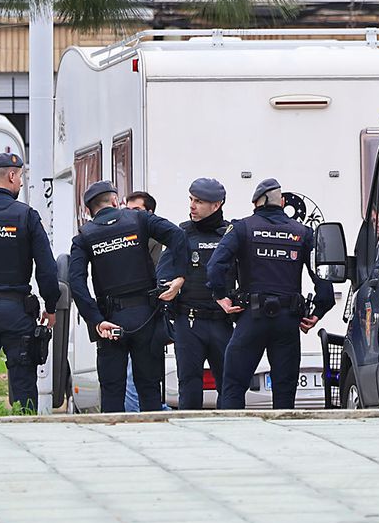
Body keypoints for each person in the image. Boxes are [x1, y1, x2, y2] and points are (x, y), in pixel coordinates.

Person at [207, 177, 335, 410]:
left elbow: (215, 266)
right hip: (288, 322)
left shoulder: (242, 227)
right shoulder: (303, 232)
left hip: (251, 319)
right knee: (285, 393)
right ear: (283, 202)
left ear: (257, 202)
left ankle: (231, 437)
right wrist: (318, 311)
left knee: (233, 387)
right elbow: (323, 275)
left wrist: (221, 298)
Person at [67, 180, 187, 412]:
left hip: (110, 321)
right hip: (146, 317)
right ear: (115, 201)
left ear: (88, 210)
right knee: (150, 389)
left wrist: (96, 320)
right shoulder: (139, 220)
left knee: (112, 391)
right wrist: (179, 278)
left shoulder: (84, 237)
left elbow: (76, 283)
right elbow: (178, 235)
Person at [0, 151, 59, 412]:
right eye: (20, 178)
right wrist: (51, 307)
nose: (20, 183)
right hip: (16, 312)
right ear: (12, 175)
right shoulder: (26, 216)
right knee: (23, 384)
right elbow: (47, 270)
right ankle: (25, 430)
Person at [172, 177, 237, 409]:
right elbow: (165, 271)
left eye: (198, 201)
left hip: (221, 322)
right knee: (189, 388)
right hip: (189, 321)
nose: (191, 206)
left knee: (228, 387)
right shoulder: (181, 233)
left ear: (216, 205)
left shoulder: (230, 234)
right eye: (191, 199)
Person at [122, 188, 168, 413]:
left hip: (146, 315)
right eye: (127, 210)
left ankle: (136, 417)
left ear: (149, 212)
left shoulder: (152, 240)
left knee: (137, 374)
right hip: (130, 313)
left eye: (136, 210)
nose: (130, 215)